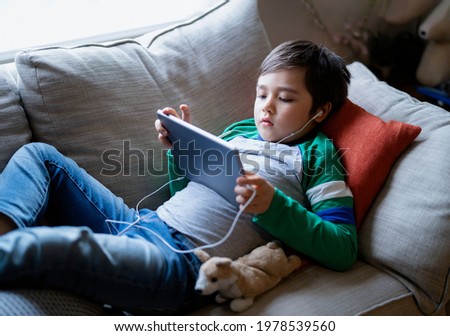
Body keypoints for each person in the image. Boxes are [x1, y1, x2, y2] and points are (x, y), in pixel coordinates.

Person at [0, 40, 356, 314]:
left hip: (182, 266)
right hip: (140, 224)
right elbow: (186, 193)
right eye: (262, 93)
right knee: (41, 157)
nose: (266, 105)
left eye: (286, 98)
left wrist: (272, 205)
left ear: (321, 110)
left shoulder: (318, 155)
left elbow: (342, 247)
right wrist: (180, 152)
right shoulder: (239, 132)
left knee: (56, 247)